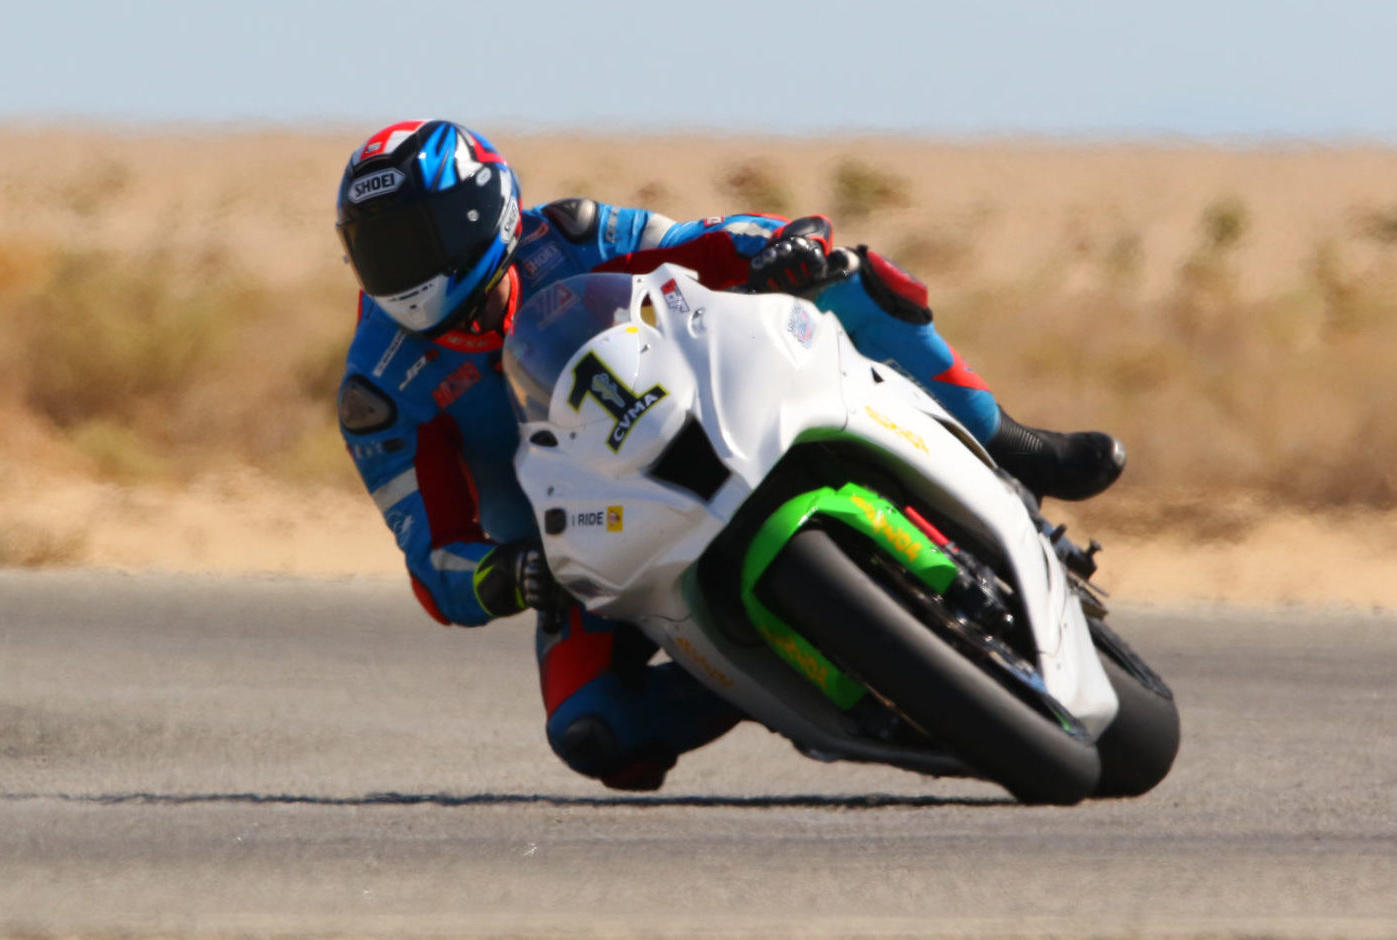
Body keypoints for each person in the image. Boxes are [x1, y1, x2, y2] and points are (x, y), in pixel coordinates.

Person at [333, 120, 1124, 791]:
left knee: (853, 280)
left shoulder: (567, 236)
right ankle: (760, 676)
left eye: (412, 242)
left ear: (480, 212)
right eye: (374, 252)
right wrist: (502, 575)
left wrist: (781, 245)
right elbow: (430, 554)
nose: (395, 272)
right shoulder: (380, 389)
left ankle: (1009, 445)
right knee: (594, 732)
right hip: (581, 542)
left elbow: (697, 245)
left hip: (699, 413)